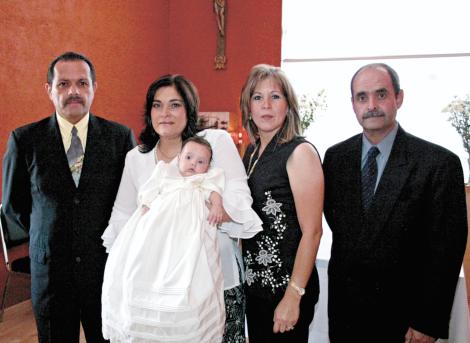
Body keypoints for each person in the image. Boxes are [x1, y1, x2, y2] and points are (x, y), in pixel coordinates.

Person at [101, 74, 263, 343]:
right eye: (157, 105)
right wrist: (120, 267)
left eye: (175, 105)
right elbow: (122, 214)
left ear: (189, 109)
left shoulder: (213, 143)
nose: (165, 113)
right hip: (153, 289)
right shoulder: (137, 158)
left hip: (214, 279)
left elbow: (237, 191)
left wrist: (212, 208)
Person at [323, 63, 468, 343]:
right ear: (352, 104)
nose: (372, 105)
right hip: (346, 315)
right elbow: (338, 225)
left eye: (381, 94)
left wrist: (428, 321)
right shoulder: (335, 158)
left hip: (405, 320)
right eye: (362, 97)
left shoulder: (438, 164)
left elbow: (446, 250)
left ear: (398, 98)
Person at [1, 51, 136, 342]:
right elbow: (15, 207)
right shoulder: (24, 140)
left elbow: (129, 202)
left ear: (94, 88)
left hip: (104, 271)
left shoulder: (120, 138)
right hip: (50, 274)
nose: (73, 91)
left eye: (82, 83)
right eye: (63, 84)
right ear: (49, 90)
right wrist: (51, 233)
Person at [102, 136, 226, 342]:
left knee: (191, 277)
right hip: (158, 230)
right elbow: (148, 192)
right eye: (189, 157)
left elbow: (215, 193)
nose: (193, 164)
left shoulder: (205, 180)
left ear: (208, 167)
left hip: (190, 238)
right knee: (147, 266)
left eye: (201, 162)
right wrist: (144, 209)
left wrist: (216, 206)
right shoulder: (165, 170)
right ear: (179, 158)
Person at [240, 64, 324, 342]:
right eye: (257, 97)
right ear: (248, 106)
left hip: (287, 290)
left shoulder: (300, 152)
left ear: (288, 105)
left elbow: (312, 231)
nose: (266, 105)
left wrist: (294, 295)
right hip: (255, 287)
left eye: (275, 97)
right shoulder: (251, 151)